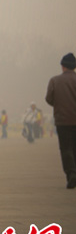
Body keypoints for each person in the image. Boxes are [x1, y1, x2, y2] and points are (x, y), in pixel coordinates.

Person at [45, 53, 76, 189]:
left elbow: (49, 99)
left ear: (62, 66)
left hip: (62, 121)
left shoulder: (54, 81)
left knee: (66, 148)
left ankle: (71, 173)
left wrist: (60, 105)